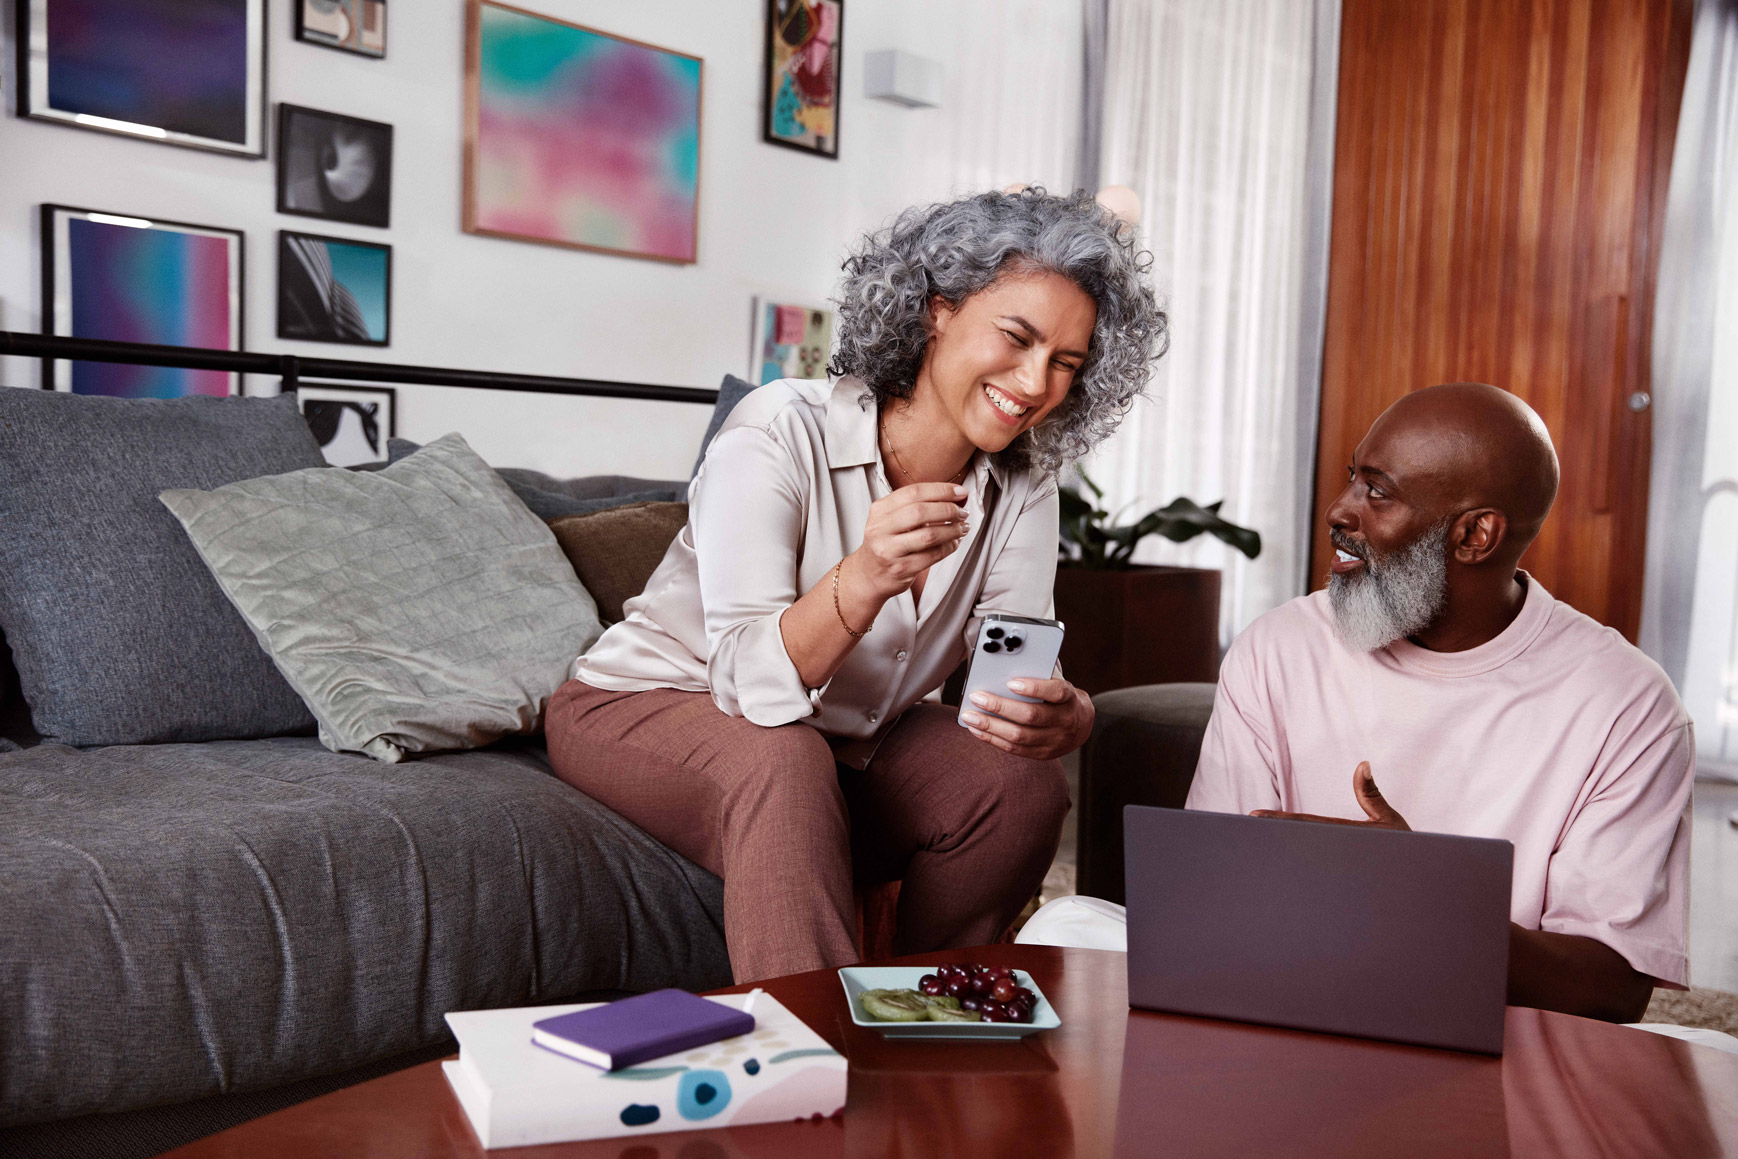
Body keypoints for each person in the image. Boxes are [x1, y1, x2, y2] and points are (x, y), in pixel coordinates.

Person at [546, 189, 1168, 984]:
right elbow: (747, 682)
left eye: (1066, 364)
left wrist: (1061, 714)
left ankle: (929, 1010)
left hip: (845, 736)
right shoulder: (778, 431)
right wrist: (867, 575)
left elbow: (1001, 680)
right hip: (650, 701)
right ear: (938, 310)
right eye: (1016, 338)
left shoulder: (1023, 485)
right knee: (783, 760)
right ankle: (819, 1057)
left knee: (1017, 784)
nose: (1035, 381)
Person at [1023, 383, 1693, 1024]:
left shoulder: (1629, 704)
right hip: (1273, 986)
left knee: (1703, 1062)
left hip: (1489, 1014)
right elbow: (1213, 896)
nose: (1340, 511)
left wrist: (1426, 899)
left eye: (1378, 492)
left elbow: (1610, 989)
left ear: (1474, 536)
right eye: (1353, 478)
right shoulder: (1280, 645)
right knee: (1064, 926)